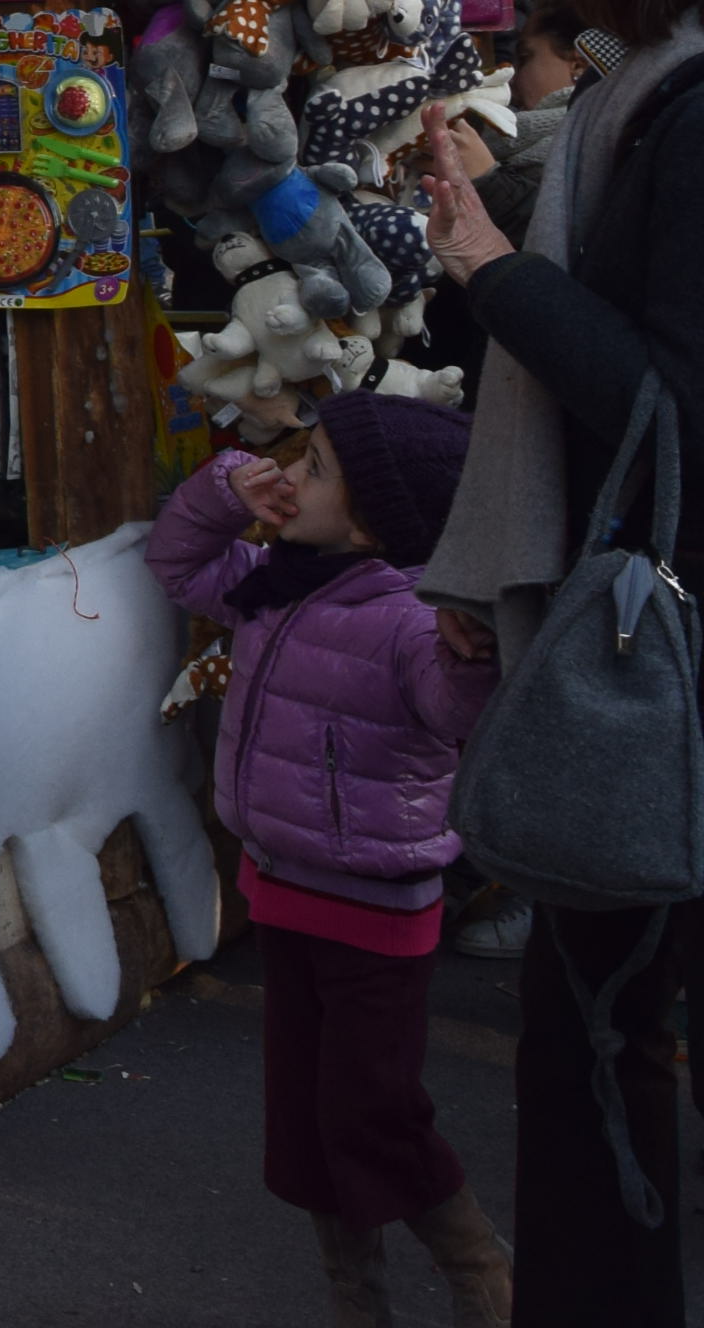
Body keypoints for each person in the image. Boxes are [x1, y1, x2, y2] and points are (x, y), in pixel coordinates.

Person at [418, 0, 704, 1325]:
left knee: (602, 1023)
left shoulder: (684, 111)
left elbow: (671, 398)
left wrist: (491, 268)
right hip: (643, 616)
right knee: (605, 1016)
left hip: (654, 635)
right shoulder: (629, 101)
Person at [146, 394, 506, 1326]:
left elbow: (457, 714)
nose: (290, 477)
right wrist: (229, 486)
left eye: (314, 469)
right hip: (281, 888)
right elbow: (177, 561)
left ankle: (486, 1280)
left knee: (371, 1111)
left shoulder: (412, 620)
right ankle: (356, 1297)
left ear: (373, 520)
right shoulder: (274, 579)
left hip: (377, 909)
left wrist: (473, 656)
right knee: (307, 1117)